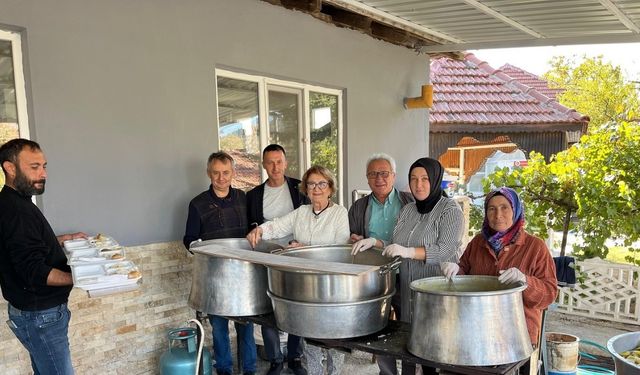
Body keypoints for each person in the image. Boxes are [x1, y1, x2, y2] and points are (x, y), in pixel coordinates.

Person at [246, 165, 349, 375]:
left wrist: (305, 249)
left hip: (332, 287)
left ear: (330, 188)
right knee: (310, 336)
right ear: (306, 188)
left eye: (321, 183)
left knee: (334, 340)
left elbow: (341, 249)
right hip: (307, 286)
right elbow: (277, 226)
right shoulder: (301, 212)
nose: (316, 188)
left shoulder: (339, 213)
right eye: (311, 184)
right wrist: (259, 229)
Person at [0, 138, 87, 375]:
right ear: (10, 168)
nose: (43, 174)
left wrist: (63, 239)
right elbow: (33, 270)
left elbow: (22, 244)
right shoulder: (17, 210)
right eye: (34, 167)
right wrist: (84, 278)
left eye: (44, 166)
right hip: (41, 317)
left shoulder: (14, 202)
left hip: (36, 314)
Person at [440, 187, 558, 348]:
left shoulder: (535, 247)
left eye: (504, 208)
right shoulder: (478, 242)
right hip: (475, 330)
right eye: (492, 209)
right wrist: (454, 270)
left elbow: (549, 294)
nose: (498, 215)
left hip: (518, 336)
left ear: (515, 210)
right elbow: (463, 273)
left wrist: (525, 281)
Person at [382, 157, 464, 375]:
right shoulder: (408, 210)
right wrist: (377, 243)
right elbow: (396, 244)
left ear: (436, 179)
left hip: (435, 293)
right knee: (409, 344)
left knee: (433, 351)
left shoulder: (450, 210)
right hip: (409, 289)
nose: (419, 185)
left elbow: (446, 249)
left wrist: (409, 252)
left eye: (425, 179)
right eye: (414, 179)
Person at [183, 151, 256, 375]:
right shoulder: (197, 204)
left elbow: (253, 229)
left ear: (233, 173)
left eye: (225, 172)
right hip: (214, 276)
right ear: (208, 173)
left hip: (244, 274)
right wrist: (198, 247)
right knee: (219, 326)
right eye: (216, 173)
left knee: (246, 325)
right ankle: (224, 369)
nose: (221, 177)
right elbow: (188, 239)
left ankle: (250, 369)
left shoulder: (245, 199)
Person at [246, 144, 309, 375]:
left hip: (296, 256)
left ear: (285, 162)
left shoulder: (300, 187)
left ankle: (295, 357)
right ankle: (275, 359)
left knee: (296, 305)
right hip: (266, 257)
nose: (275, 167)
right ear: (263, 164)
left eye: (279, 161)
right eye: (270, 162)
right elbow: (251, 227)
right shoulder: (253, 195)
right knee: (268, 306)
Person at [349, 153, 413, 375]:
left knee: (407, 326)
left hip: (405, 274)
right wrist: (354, 240)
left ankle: (409, 371)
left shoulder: (410, 203)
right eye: (373, 174)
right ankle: (387, 372)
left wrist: (377, 242)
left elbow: (414, 241)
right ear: (367, 178)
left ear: (394, 176)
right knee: (380, 327)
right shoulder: (358, 206)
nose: (379, 178)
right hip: (375, 278)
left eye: (384, 173)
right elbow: (353, 238)